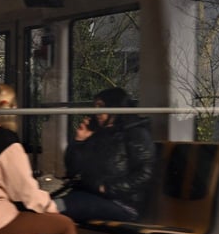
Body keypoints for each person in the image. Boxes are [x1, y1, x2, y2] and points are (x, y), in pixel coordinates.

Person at [0, 83, 79, 234]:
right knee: (64, 225)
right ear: (13, 108)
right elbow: (24, 191)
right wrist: (50, 208)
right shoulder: (3, 142)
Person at [56, 87, 156, 223]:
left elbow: (145, 174)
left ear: (115, 108)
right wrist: (79, 141)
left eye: (101, 107)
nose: (97, 113)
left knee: (66, 205)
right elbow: (73, 169)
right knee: (60, 203)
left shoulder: (136, 133)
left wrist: (107, 188)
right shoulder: (98, 134)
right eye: (95, 107)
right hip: (92, 196)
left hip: (123, 204)